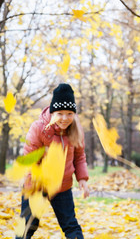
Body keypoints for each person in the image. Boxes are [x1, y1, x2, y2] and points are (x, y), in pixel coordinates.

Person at [15, 83, 89, 239]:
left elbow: (79, 156)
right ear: (52, 111)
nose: (64, 118)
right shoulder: (39, 128)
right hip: (36, 185)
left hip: (62, 186)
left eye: (69, 113)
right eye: (60, 113)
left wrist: (82, 179)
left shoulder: (76, 129)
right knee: (28, 226)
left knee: (70, 225)